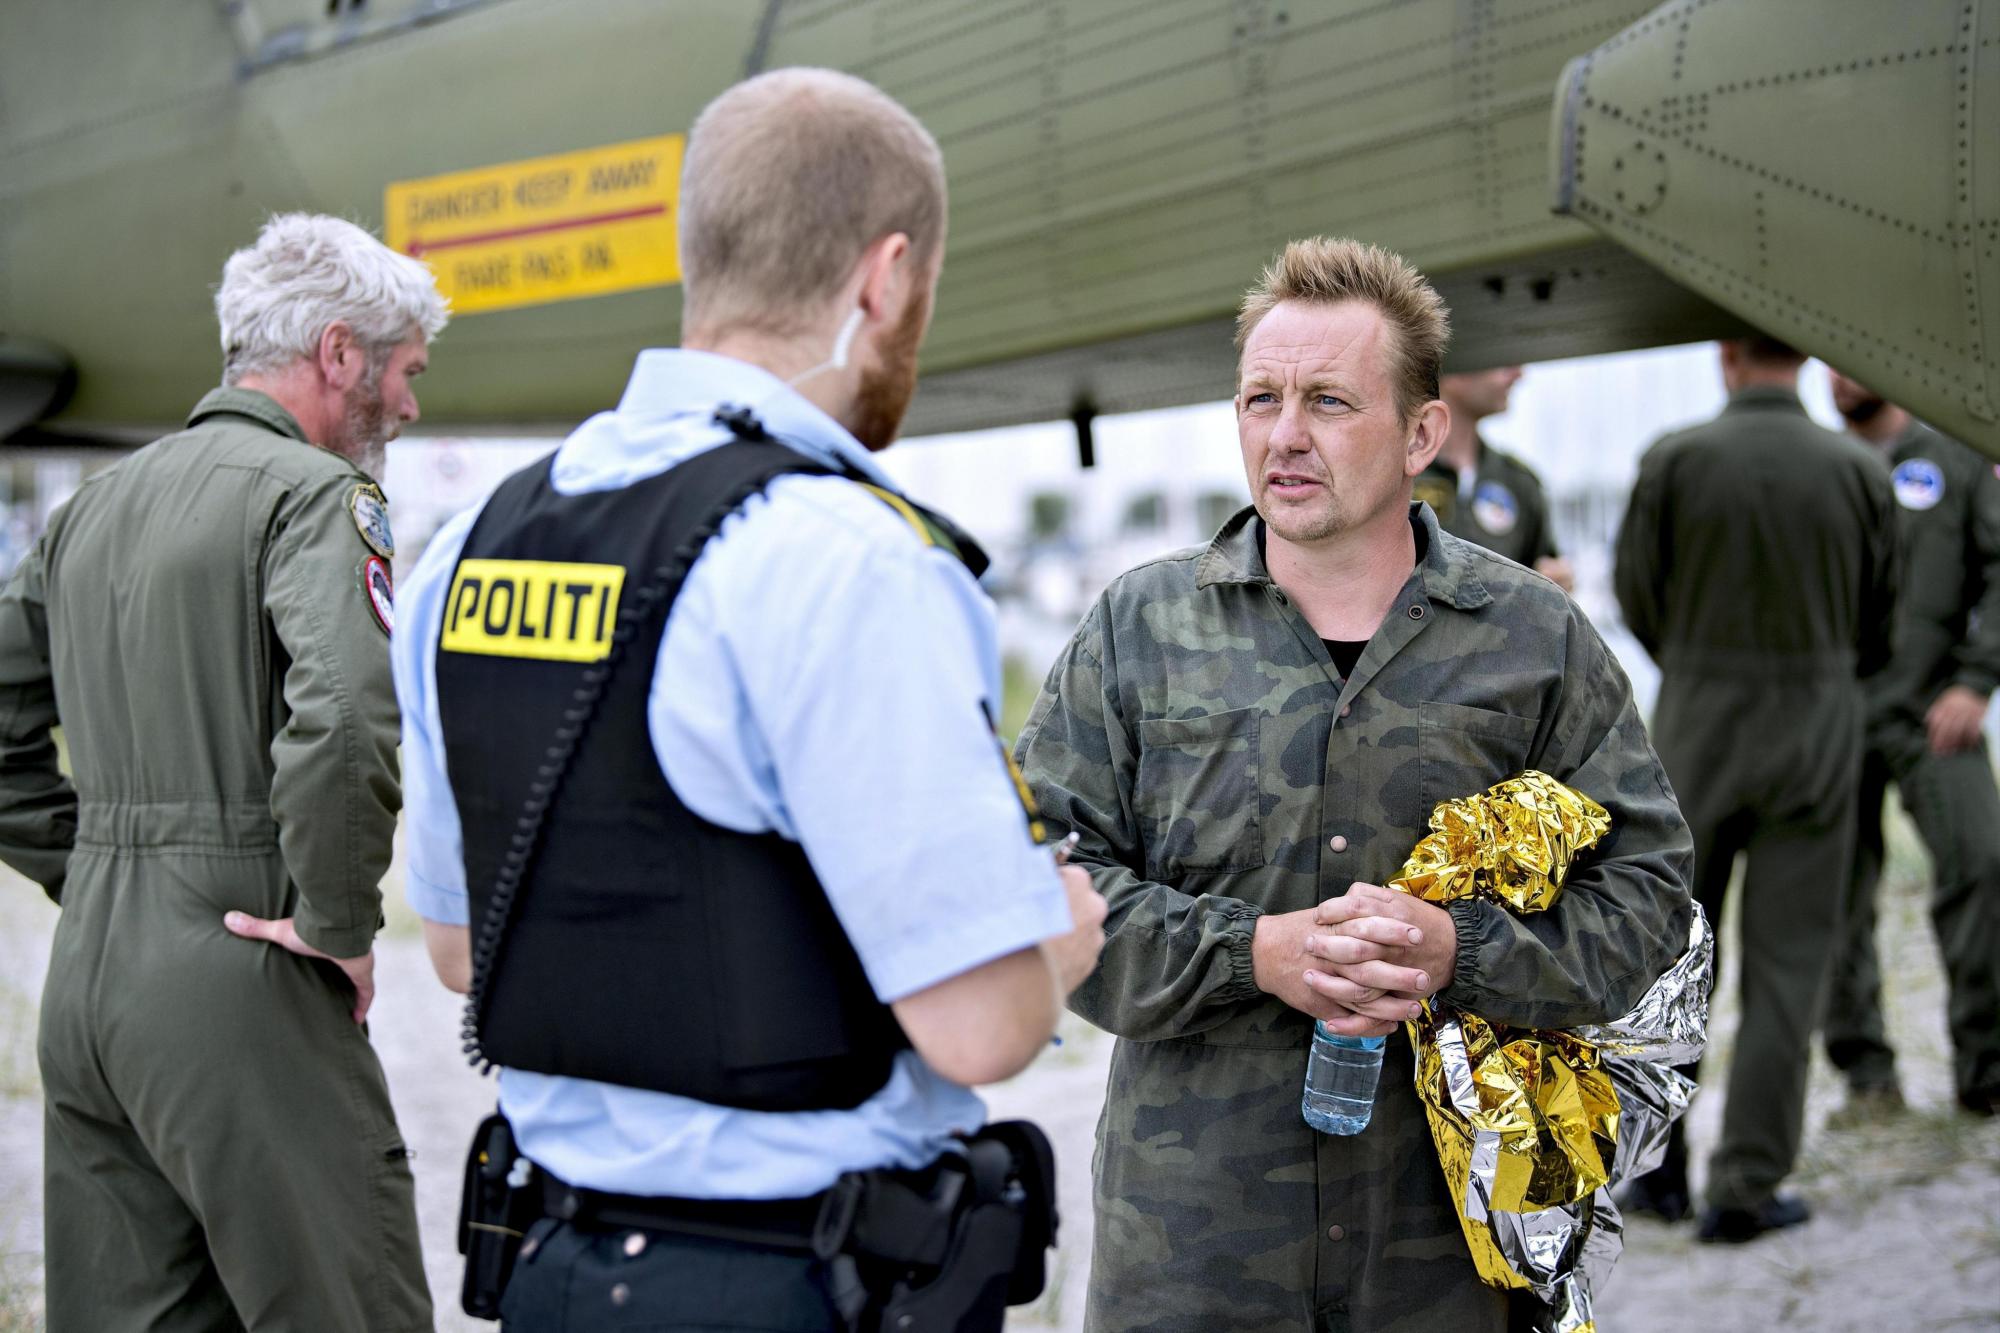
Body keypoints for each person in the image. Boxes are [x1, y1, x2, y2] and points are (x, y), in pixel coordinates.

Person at [392, 68, 1106, 1332]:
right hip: (790, 1281)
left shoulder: (470, 546)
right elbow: (980, 1027)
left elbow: (459, 950)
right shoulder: (844, 554)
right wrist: (1060, 934)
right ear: (884, 279)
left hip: (555, 1269)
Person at [1015, 236, 1693, 1333]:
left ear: (1421, 431)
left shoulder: (1533, 641)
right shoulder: (1138, 633)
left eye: (1328, 401)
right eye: (1258, 399)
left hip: (1444, 1257)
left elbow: (1648, 902)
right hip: (1193, 1255)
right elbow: (1040, 886)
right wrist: (1252, 953)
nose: (1283, 435)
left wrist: (1457, 952)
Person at [0, 213, 443, 1330]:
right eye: (404, 372)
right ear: (339, 352)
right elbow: (343, 712)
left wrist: (96, 872)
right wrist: (340, 921)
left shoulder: (88, 509)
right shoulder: (314, 498)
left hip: (89, 985)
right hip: (242, 969)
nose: (409, 406)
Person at [1614, 337, 1899, 1241]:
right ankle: (1747, 1184)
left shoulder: (1675, 459)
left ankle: (1657, 1173)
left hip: (1699, 723)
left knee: (1672, 964)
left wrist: (1698, 665)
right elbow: (1882, 614)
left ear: (1728, 358)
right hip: (1818, 727)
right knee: (1789, 968)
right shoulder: (1858, 469)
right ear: (1807, 361)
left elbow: (1637, 592)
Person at [1821, 370, 2000, 1121]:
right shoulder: (1818, 463)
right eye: (1822, 364)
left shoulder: (1954, 459)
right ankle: (1868, 1075)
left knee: (1982, 862)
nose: (1838, 377)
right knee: (1833, 901)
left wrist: (1977, 680)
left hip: (1935, 710)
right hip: (1833, 719)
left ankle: (1986, 1072)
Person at [1414, 365, 1575, 590]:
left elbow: (1543, 570)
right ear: (1455, 368)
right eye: (1502, 361)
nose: (1518, 374)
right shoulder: (1395, 477)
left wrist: (1556, 581)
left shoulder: (1518, 481)